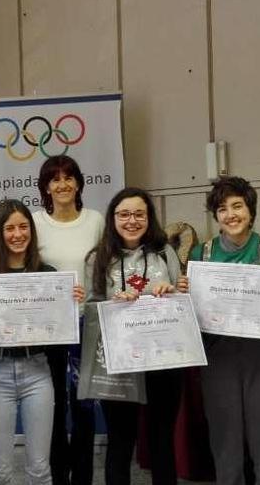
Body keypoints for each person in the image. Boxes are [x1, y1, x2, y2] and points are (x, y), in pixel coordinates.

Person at [0, 155, 104, 485]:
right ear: (45, 186)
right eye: (54, 179)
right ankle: (58, 477)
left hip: (84, 324)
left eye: (69, 177)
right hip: (46, 337)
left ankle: (82, 478)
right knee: (55, 411)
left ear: (78, 182)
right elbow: (12, 272)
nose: (62, 184)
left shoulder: (96, 220)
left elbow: (103, 269)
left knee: (85, 409)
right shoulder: (34, 221)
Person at [177, 176, 260, 485]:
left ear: (251, 210)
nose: (230, 215)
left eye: (237, 206)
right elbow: (192, 311)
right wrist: (183, 293)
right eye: (222, 208)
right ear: (215, 216)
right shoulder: (201, 255)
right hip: (218, 356)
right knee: (225, 440)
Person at [0, 199, 86, 484]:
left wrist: (69, 306)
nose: (17, 234)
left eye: (23, 226)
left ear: (31, 230)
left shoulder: (49, 274)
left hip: (38, 371)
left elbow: (60, 335)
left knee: (40, 469)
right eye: (9, 228)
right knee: (0, 470)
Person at [84, 187, 183, 485]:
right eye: (124, 214)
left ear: (149, 218)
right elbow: (89, 309)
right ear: (112, 218)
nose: (132, 220)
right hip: (119, 363)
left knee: (161, 439)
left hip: (162, 361)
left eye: (139, 214)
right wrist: (112, 305)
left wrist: (172, 292)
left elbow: (182, 298)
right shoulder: (97, 258)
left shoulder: (165, 253)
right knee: (120, 440)